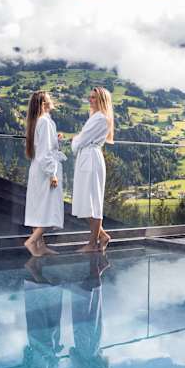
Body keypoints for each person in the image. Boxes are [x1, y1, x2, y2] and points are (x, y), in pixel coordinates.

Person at [72, 86, 114, 252]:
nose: (90, 100)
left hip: (91, 160)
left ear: (102, 100)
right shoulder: (96, 117)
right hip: (88, 159)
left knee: (93, 201)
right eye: (90, 97)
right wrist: (78, 140)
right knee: (85, 201)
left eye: (94, 97)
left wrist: (75, 140)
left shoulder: (100, 118)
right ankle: (102, 236)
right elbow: (83, 139)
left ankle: (92, 243)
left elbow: (81, 141)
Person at [24, 91, 66, 256]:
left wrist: (55, 138)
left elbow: (42, 145)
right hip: (45, 171)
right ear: (43, 104)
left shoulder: (37, 121)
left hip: (37, 169)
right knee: (49, 209)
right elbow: (45, 153)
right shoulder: (45, 122)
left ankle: (40, 246)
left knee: (38, 209)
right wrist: (52, 173)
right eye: (48, 99)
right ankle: (31, 241)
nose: (51, 100)